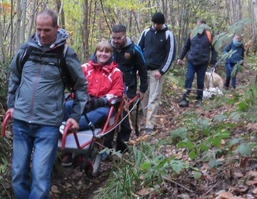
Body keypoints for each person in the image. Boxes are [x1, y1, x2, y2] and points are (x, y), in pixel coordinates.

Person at [4, 9, 88, 199]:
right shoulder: (26, 50)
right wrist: (11, 106)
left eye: (46, 30)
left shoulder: (65, 54)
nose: (41, 34)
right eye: (38, 29)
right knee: (19, 174)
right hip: (21, 123)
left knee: (40, 176)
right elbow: (14, 78)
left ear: (56, 28)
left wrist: (74, 117)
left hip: (48, 125)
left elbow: (80, 88)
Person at [63, 40, 124, 131]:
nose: (103, 54)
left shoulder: (116, 72)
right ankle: (59, 127)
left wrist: (101, 100)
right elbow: (76, 85)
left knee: (102, 113)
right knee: (66, 106)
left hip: (103, 105)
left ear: (111, 54)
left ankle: (68, 127)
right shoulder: (85, 67)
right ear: (96, 52)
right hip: (84, 100)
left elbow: (117, 90)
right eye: (100, 51)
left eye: (106, 52)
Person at [107, 24, 148, 152]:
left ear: (125, 36)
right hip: (109, 89)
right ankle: (106, 148)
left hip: (128, 90)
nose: (115, 41)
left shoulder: (134, 50)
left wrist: (142, 89)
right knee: (108, 117)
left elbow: (143, 70)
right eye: (113, 38)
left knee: (124, 119)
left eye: (118, 38)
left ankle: (121, 149)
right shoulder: (107, 48)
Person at [137, 12, 176, 133]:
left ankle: (150, 124)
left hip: (156, 72)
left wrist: (162, 70)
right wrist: (137, 67)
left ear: (162, 23)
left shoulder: (168, 35)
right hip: (144, 70)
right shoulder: (146, 32)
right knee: (143, 97)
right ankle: (146, 119)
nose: (155, 25)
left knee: (154, 98)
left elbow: (171, 54)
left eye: (157, 23)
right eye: (153, 23)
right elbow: (138, 50)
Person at [177, 19, 217, 107]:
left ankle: (199, 100)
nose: (199, 27)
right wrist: (180, 58)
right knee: (188, 79)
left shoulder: (209, 35)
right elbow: (186, 46)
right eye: (198, 24)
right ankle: (184, 99)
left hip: (203, 62)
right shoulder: (192, 34)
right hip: (191, 61)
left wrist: (212, 61)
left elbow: (214, 49)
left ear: (205, 26)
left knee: (200, 81)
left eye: (201, 25)